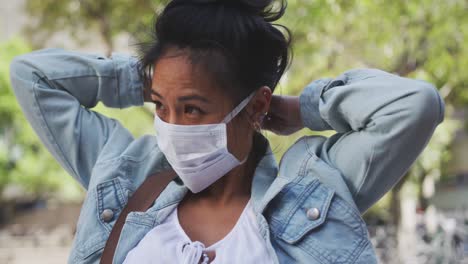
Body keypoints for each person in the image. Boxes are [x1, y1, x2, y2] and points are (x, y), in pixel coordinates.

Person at [9, 0, 445, 263]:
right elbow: (32, 77)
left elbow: (415, 106)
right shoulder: (126, 175)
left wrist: (302, 109)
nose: (172, 127)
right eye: (162, 107)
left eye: (193, 109)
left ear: (255, 106)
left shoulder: (312, 194)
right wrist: (156, 79)